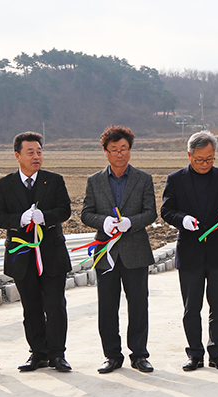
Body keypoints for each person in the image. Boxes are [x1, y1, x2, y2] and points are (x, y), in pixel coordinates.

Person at [0, 132, 73, 372]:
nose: (36, 156)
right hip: (21, 255)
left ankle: (58, 354)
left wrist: (44, 217)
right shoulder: (4, 185)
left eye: (39, 151)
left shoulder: (54, 180)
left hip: (51, 255)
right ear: (17, 156)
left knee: (55, 305)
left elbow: (65, 210)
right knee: (31, 307)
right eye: (30, 152)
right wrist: (20, 219)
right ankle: (38, 354)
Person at [81, 125, 157, 374]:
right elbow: (86, 213)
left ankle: (139, 355)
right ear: (105, 152)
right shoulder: (95, 181)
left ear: (130, 150)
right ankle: (112, 355)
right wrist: (103, 222)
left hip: (135, 251)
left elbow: (150, 213)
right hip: (106, 252)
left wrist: (130, 223)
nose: (119, 154)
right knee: (107, 306)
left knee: (138, 305)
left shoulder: (143, 179)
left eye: (124, 149)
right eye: (114, 149)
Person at [161, 131, 218, 371]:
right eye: (199, 159)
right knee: (191, 307)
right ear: (189, 155)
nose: (205, 164)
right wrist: (182, 219)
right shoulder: (176, 180)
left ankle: (217, 353)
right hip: (190, 252)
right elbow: (166, 210)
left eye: (210, 159)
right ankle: (195, 354)